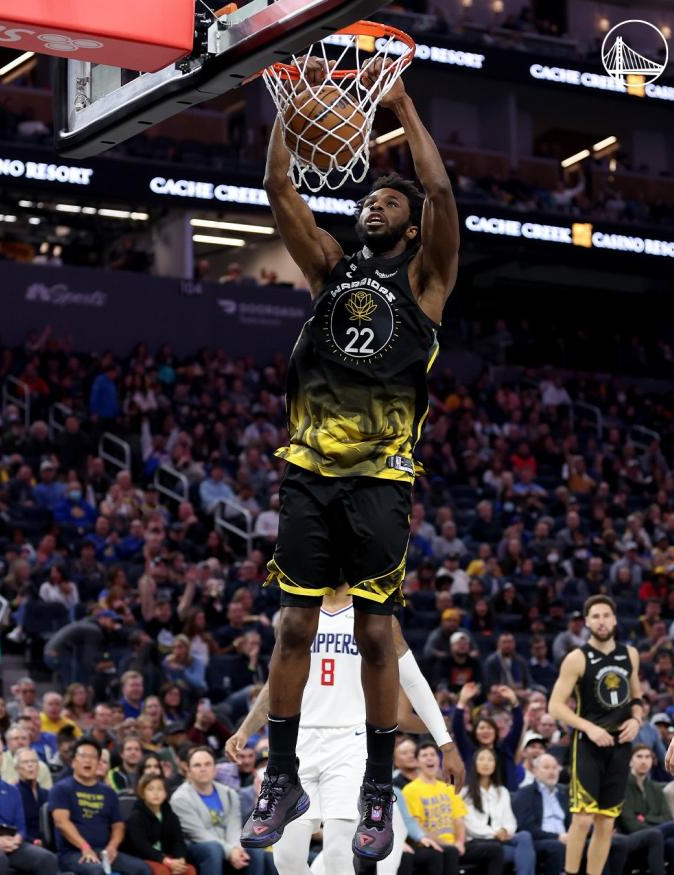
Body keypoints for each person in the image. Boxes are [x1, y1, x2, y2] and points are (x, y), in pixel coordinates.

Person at [244, 50, 459, 862]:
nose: (375, 205)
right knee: (294, 622)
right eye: (369, 198)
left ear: (411, 224)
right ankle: (280, 775)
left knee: (376, 634)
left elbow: (441, 193)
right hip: (309, 467)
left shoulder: (427, 281)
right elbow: (279, 190)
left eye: (389, 201)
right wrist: (286, 115)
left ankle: (375, 787)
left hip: (380, 475)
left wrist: (401, 107)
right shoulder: (330, 269)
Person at [227, 584, 463, 874]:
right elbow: (277, 684)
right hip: (298, 743)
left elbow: (414, 682)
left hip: (352, 743)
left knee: (338, 855)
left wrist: (446, 744)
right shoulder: (296, 614)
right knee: (286, 859)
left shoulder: (378, 617)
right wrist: (245, 729)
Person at [548, 595, 643, 875]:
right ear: (587, 622)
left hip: (620, 745)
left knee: (606, 822)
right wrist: (589, 727)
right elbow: (555, 706)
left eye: (606, 615)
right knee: (582, 818)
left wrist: (637, 719)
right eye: (596, 616)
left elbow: (637, 697)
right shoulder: (576, 658)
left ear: (614, 619)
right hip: (588, 745)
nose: (601, 621)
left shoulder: (630, 654)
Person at [48, 737, 150, 875]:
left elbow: (118, 825)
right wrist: (85, 847)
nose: (88, 760)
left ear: (98, 763)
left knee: (142, 869)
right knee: (96, 871)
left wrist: (112, 847)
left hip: (104, 852)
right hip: (73, 853)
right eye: (83, 756)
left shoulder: (108, 792)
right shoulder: (61, 789)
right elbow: (61, 822)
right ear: (73, 762)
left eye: (93, 757)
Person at [402, 742, 503, 875]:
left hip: (456, 845)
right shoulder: (410, 790)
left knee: (495, 848)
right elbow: (417, 826)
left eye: (433, 754)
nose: (429, 758)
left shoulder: (449, 788)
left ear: (439, 759)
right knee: (450, 852)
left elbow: (459, 821)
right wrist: (447, 844)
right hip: (431, 845)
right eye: (424, 755)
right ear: (417, 762)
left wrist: (460, 842)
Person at [170, 746, 249, 874]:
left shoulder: (229, 793)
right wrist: (230, 851)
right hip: (197, 846)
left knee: (255, 850)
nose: (203, 769)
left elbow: (234, 827)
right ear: (188, 771)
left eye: (207, 764)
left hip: (227, 845)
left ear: (214, 769)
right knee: (213, 848)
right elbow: (198, 834)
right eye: (197, 765)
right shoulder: (180, 799)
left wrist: (236, 849)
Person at [618, 744, 674, 875]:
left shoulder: (656, 788)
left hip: (656, 835)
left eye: (648, 757)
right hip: (633, 837)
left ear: (652, 761)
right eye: (639, 757)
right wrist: (654, 823)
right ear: (630, 762)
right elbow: (630, 824)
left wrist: (645, 818)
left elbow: (666, 817)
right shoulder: (623, 787)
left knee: (671, 843)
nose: (644, 761)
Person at [461, 747, 536, 875]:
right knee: (525, 855)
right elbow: (470, 825)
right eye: (481, 759)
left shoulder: (502, 791)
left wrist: (505, 830)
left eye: (490, 760)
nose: (486, 763)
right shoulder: (465, 793)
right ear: (474, 764)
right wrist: (495, 833)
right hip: (479, 841)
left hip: (502, 839)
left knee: (524, 836)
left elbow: (510, 821)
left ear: (495, 765)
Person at [0, 736, 58, 875]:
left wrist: (16, 840)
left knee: (47, 859)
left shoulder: (12, 791)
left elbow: (21, 827)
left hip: (10, 844)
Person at [123, 774, 196, 875]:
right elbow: (143, 846)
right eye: (150, 789)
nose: (156, 793)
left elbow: (178, 841)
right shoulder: (136, 817)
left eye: (160, 789)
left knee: (189, 870)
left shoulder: (170, 815)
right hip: (142, 857)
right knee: (162, 871)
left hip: (165, 857)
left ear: (165, 793)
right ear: (142, 793)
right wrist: (166, 861)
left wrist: (180, 859)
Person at [513, 753, 569, 875]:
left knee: (606, 843)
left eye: (555, 768)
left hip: (567, 838)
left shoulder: (564, 792)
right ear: (535, 771)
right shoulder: (525, 793)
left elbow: (573, 821)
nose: (552, 772)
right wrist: (558, 837)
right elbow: (527, 827)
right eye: (546, 767)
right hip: (539, 840)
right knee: (556, 847)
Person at [15, 746, 48, 843]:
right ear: (17, 768)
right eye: (25, 762)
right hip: (24, 842)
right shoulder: (13, 793)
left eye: (34, 761)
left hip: (47, 842)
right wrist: (32, 840)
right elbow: (14, 826)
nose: (30, 765)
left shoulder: (47, 794)